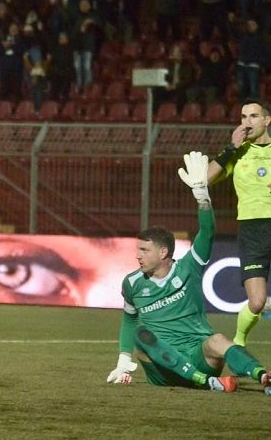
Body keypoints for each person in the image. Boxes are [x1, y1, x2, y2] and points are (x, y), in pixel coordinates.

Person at [107, 151, 271, 395]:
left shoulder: (189, 267)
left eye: (144, 250)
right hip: (163, 368)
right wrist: (123, 359)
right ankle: (205, 382)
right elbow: (130, 320)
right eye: (137, 250)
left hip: (199, 357)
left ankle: (263, 376)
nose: (138, 255)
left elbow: (207, 232)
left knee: (218, 340)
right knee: (142, 334)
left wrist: (202, 197)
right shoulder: (132, 283)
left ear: (163, 252)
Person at [207, 99, 271, 347]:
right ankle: (239, 342)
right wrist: (230, 148)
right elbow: (206, 178)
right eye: (243, 117)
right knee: (257, 302)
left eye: (253, 116)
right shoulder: (238, 152)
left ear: (267, 120)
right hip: (252, 230)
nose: (247, 122)